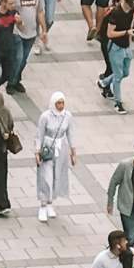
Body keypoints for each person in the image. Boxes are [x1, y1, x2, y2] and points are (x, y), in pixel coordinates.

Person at [35, 91, 74, 222]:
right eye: (58, 103)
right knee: (46, 177)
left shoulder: (67, 116)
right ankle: (42, 204)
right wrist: (37, 151)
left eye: (62, 102)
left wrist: (73, 151)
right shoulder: (45, 117)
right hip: (48, 148)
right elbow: (39, 135)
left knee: (57, 176)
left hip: (61, 148)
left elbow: (70, 133)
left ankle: (51, 202)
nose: (61, 105)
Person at [6, 0, 44, 90]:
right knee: (18, 58)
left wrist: (44, 30)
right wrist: (13, 18)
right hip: (16, 33)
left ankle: (16, 80)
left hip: (31, 32)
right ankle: (11, 83)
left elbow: (40, 12)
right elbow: (5, 10)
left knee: (23, 61)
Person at [100, 0, 134, 112]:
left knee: (125, 73)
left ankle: (105, 82)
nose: (132, 8)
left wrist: (129, 38)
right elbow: (109, 33)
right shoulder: (115, 13)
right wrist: (126, 32)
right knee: (118, 76)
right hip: (115, 48)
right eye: (131, 5)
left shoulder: (131, 10)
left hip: (126, 47)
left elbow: (130, 25)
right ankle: (118, 103)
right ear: (125, 1)